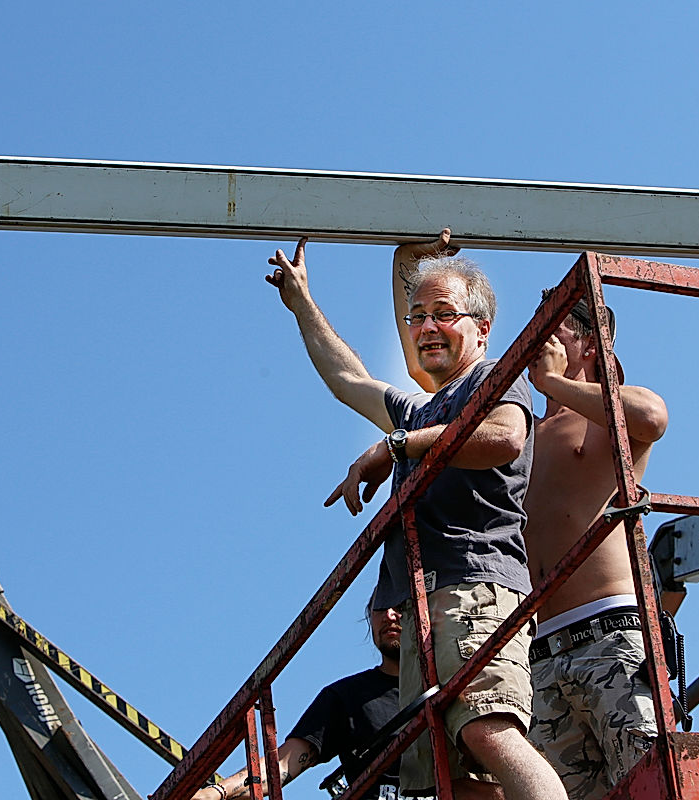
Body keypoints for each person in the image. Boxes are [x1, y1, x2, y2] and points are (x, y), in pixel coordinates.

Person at [268, 238, 567, 800]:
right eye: (417, 317)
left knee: (488, 729)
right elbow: (348, 380)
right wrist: (303, 302)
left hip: (472, 588)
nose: (426, 327)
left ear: (481, 327)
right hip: (424, 606)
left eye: (443, 314)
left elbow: (504, 438)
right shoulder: (424, 408)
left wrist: (397, 446)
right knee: (451, 779)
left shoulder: (493, 379)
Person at [392, 231, 668, 800]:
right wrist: (406, 264)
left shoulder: (600, 419)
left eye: (557, 327)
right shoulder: (514, 431)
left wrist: (552, 381)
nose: (539, 338)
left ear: (592, 342)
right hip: (538, 650)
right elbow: (426, 354)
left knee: (649, 780)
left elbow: (651, 416)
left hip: (609, 635)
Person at [192, 605, 405, 800]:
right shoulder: (346, 696)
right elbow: (283, 764)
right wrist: (213, 794)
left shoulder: (437, 688)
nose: (388, 615)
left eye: (399, 604)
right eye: (378, 608)